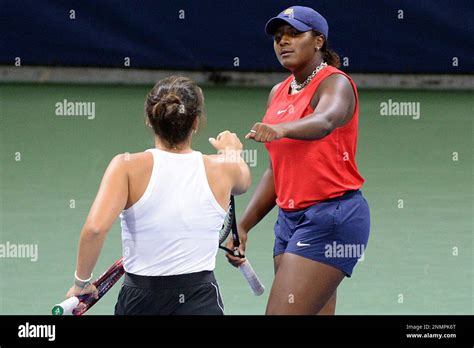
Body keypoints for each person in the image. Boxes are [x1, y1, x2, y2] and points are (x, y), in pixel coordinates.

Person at [226, 6, 370, 315]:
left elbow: (326, 120)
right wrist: (245, 226)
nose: (283, 42)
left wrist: (279, 129)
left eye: (294, 34)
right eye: (279, 37)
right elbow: (277, 172)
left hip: (333, 218)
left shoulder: (336, 83)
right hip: (290, 222)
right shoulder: (278, 92)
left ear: (318, 41)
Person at [65, 76, 251, 315]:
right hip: (200, 300)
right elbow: (243, 182)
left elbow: (95, 230)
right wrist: (231, 152)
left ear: (149, 120)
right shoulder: (225, 168)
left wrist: (81, 283)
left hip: (140, 300)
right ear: (195, 122)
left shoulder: (125, 166)